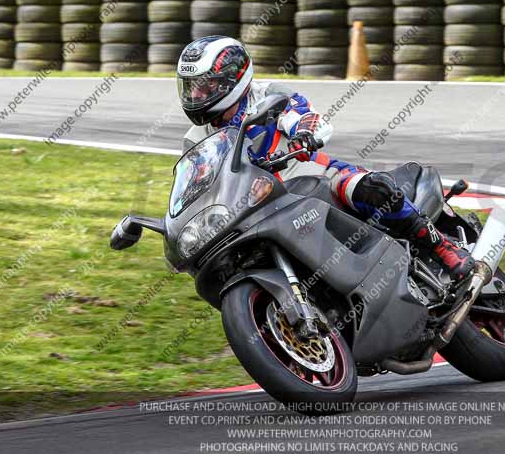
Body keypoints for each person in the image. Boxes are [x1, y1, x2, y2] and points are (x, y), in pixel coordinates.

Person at [178, 36, 473, 284]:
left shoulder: (269, 96)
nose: (196, 94)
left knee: (371, 189)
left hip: (311, 176)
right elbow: (199, 187)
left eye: (205, 85)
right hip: (256, 208)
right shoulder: (195, 138)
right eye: (191, 86)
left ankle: (443, 249)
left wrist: (304, 132)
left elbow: (303, 115)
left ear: (233, 79)